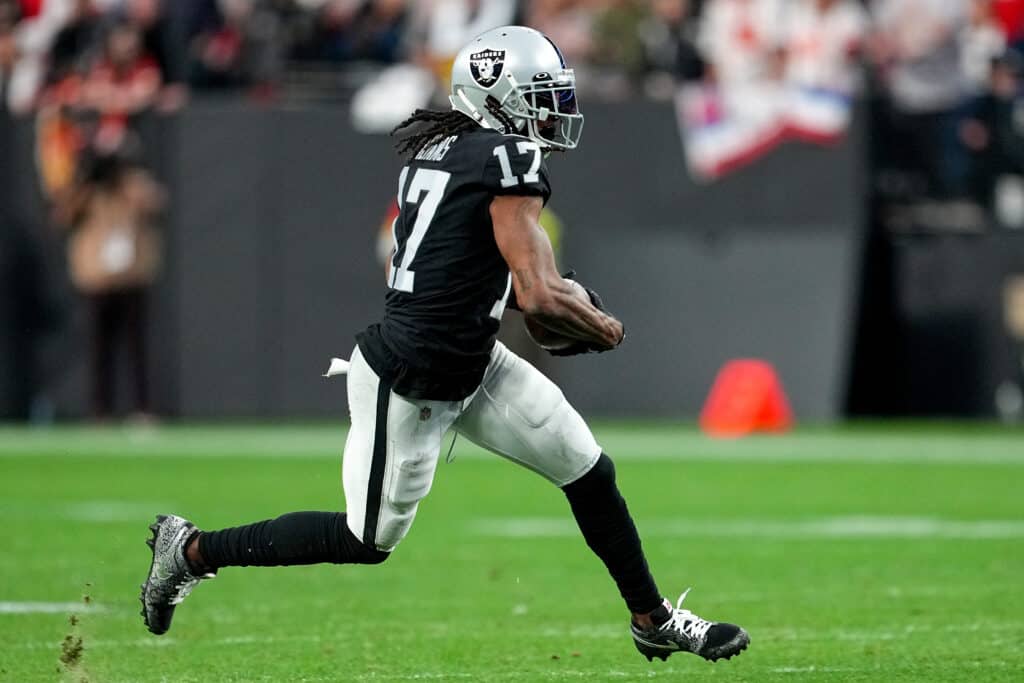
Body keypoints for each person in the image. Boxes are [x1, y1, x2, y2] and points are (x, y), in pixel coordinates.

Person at [139, 25, 750, 664]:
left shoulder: (447, 151)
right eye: (541, 95)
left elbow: (472, 273)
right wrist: (605, 327)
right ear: (498, 97)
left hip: (472, 359)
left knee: (588, 470)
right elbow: (540, 293)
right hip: (409, 376)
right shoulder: (507, 158)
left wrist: (540, 301)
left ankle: (651, 617)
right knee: (367, 538)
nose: (555, 110)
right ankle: (190, 551)